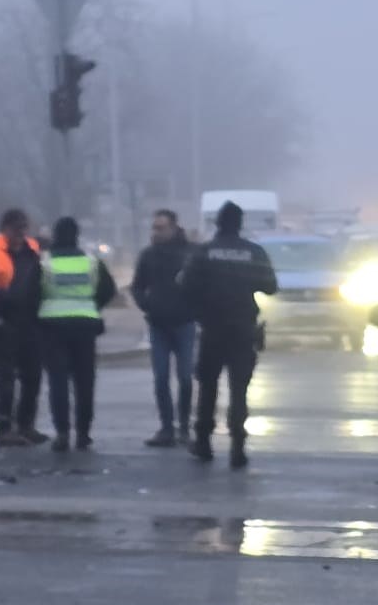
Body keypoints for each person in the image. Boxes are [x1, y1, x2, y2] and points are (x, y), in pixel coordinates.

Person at [178, 199, 277, 468]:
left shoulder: (203, 252)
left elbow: (185, 286)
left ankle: (204, 442)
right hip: (244, 328)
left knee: (208, 387)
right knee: (239, 389)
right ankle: (237, 446)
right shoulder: (253, 252)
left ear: (217, 223)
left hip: (212, 328)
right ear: (240, 224)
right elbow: (270, 286)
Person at [38, 215, 117, 454]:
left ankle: (62, 432)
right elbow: (108, 290)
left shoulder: (44, 263)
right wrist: (92, 305)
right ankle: (83, 433)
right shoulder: (92, 262)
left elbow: (33, 292)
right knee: (84, 381)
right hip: (85, 325)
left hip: (53, 326)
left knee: (58, 382)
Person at [0, 208, 46, 447]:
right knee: (5, 377)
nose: (21, 234)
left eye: (24, 228)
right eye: (16, 229)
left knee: (32, 376)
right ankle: (4, 428)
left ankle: (26, 425)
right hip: (1, 322)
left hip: (29, 321)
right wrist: (4, 297)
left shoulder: (32, 248)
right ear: (5, 228)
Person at [132, 209, 194, 447]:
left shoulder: (189, 253)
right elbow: (137, 286)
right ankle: (166, 427)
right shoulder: (148, 255)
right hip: (158, 324)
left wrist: (195, 308)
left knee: (186, 378)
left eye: (160, 228)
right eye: (154, 228)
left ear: (173, 228)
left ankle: (185, 427)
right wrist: (146, 304)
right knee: (161, 378)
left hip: (184, 323)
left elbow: (202, 283)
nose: (156, 232)